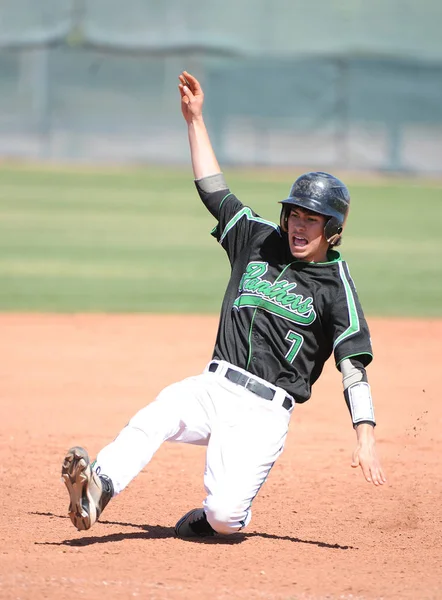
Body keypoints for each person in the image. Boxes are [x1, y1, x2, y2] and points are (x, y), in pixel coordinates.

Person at [61, 71, 386, 538]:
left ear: (332, 230)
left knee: (223, 517)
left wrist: (366, 435)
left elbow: (353, 365)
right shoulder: (257, 239)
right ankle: (100, 485)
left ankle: (230, 517)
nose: (298, 226)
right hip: (213, 385)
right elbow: (214, 191)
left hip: (266, 413)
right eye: (294, 214)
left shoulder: (336, 284)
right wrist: (194, 120)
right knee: (158, 414)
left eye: (311, 220)